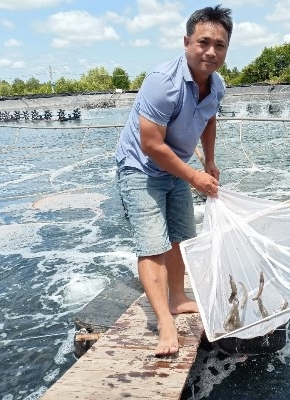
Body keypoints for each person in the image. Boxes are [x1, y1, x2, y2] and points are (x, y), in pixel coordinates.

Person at [116, 5, 233, 356]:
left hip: (178, 166)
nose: (211, 52)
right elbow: (151, 144)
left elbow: (209, 118)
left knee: (182, 236)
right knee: (152, 243)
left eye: (220, 45)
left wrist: (209, 161)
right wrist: (194, 176)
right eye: (203, 42)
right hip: (141, 167)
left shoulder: (217, 84)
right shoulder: (162, 82)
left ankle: (178, 298)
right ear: (187, 42)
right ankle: (164, 323)